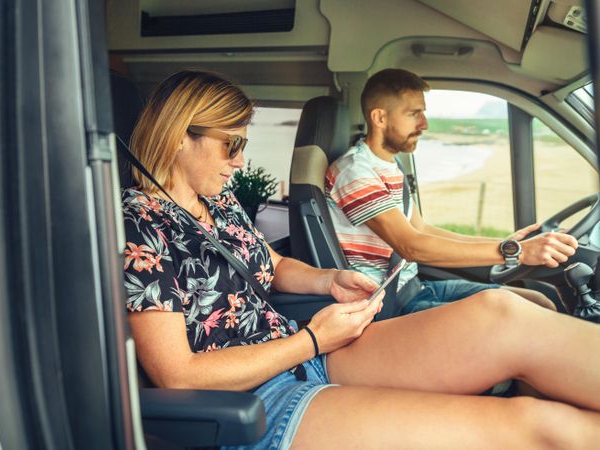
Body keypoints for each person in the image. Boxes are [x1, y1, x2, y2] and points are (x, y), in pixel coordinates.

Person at [122, 70, 600, 449]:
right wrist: (311, 340)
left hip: (299, 352)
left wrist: (330, 280)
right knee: (541, 427)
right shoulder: (138, 224)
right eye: (234, 143)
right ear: (180, 136)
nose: (241, 161)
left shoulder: (217, 201)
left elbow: (269, 263)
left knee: (507, 314)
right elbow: (177, 374)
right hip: (256, 401)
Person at [325, 68, 573, 315]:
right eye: (414, 114)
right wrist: (517, 253)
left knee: (537, 302)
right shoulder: (355, 171)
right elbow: (411, 246)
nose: (424, 124)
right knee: (522, 316)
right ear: (380, 118)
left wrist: (508, 243)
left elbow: (421, 230)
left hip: (413, 287)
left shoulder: (389, 165)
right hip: (386, 304)